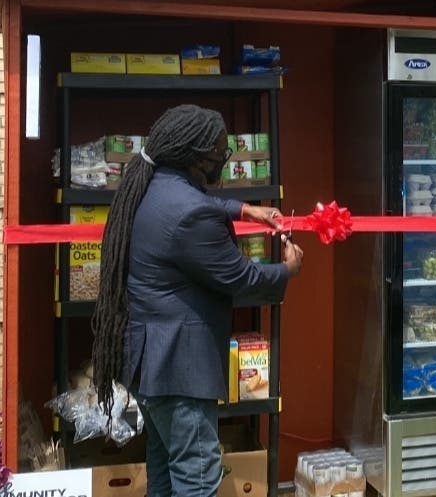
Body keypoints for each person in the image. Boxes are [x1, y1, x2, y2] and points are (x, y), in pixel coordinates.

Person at [91, 104, 304, 497]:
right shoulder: (191, 214)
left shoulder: (149, 184)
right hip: (179, 370)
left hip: (148, 363)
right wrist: (287, 271)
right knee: (197, 478)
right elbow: (240, 279)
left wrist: (244, 208)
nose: (223, 158)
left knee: (164, 473)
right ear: (196, 157)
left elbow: (194, 202)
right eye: (219, 152)